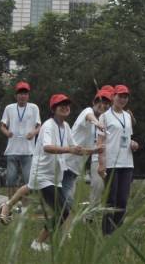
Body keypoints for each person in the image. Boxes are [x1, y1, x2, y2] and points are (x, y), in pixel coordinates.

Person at [28, 94, 99, 252]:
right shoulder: (48, 125)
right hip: (42, 176)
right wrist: (69, 149)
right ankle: (37, 242)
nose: (65, 107)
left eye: (67, 104)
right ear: (53, 109)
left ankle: (39, 242)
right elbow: (48, 147)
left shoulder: (65, 126)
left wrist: (95, 150)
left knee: (63, 211)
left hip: (54, 177)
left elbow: (76, 149)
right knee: (63, 211)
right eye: (61, 105)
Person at [96, 84, 140, 235]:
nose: (122, 99)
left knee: (122, 200)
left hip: (127, 162)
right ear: (113, 96)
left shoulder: (127, 116)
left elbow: (127, 138)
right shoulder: (104, 117)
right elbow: (100, 141)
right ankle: (106, 233)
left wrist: (133, 144)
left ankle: (116, 230)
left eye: (125, 96)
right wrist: (101, 164)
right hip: (110, 163)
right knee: (110, 199)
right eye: (120, 96)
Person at [64, 89, 112, 208]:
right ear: (93, 103)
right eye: (99, 102)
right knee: (65, 202)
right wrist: (97, 122)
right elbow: (89, 116)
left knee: (66, 203)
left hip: (75, 168)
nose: (102, 105)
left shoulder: (103, 122)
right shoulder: (88, 111)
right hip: (64, 163)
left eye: (106, 103)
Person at [0, 81, 41, 199]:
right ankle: (10, 205)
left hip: (28, 151)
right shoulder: (9, 108)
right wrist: (7, 133)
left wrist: (33, 133)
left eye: (25, 93)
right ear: (16, 95)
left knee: (29, 180)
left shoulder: (34, 108)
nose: (22, 96)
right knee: (10, 180)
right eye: (20, 93)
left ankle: (25, 206)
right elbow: (2, 125)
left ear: (28, 95)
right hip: (12, 150)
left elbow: (39, 126)